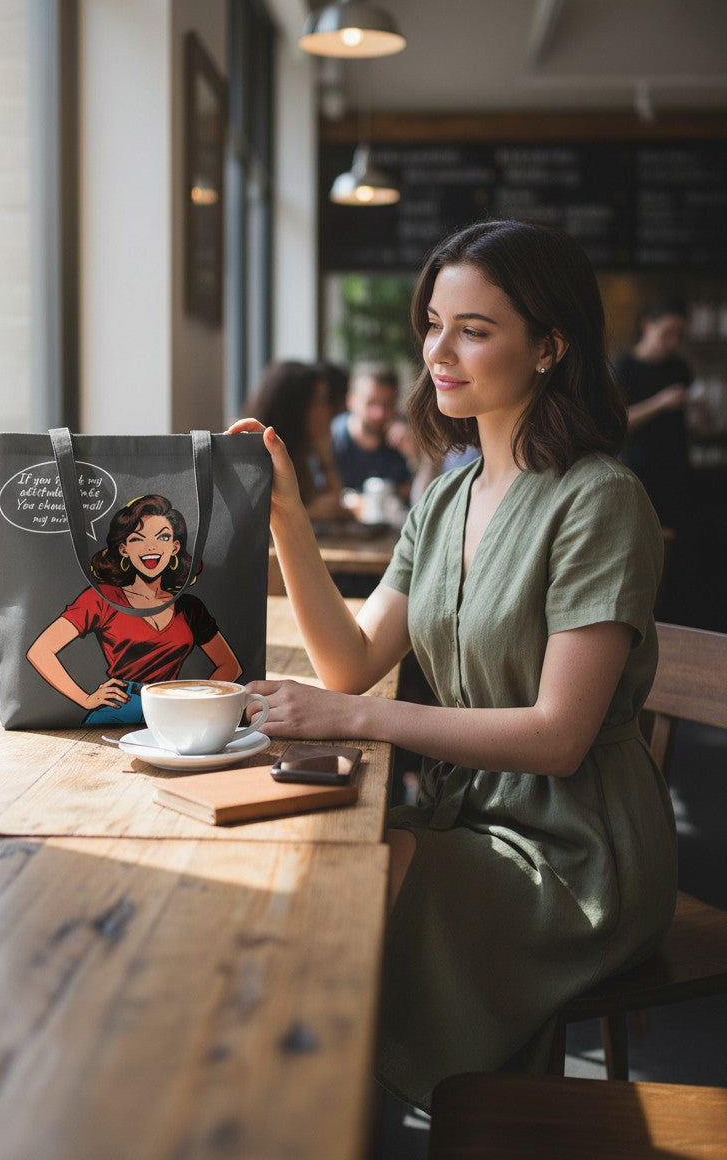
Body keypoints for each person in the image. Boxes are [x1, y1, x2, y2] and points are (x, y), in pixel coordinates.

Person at [228, 219, 677, 1112]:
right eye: (433, 322)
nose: (439, 351)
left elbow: (556, 739)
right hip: (470, 819)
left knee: (343, 895)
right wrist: (286, 518)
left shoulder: (601, 500)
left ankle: (320, 1110)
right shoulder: (448, 493)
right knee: (318, 875)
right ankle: (302, 1106)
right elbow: (351, 662)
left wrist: (346, 718)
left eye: (474, 329)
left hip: (578, 855)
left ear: (550, 346)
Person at [27, 494, 241, 724]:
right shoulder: (103, 598)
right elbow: (40, 651)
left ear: (174, 548)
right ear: (124, 549)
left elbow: (230, 666)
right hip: (119, 709)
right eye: (138, 539)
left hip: (170, 711)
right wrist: (85, 699)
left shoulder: (189, 608)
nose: (151, 546)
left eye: (163, 537)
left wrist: (194, 703)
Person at [613, 298, 693, 530]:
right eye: (668, 333)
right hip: (639, 468)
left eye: (679, 335)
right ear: (647, 325)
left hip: (677, 467)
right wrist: (660, 402)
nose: (673, 342)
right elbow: (617, 422)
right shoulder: (623, 367)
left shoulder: (679, 367)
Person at [243, 359, 350, 522]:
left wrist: (325, 456)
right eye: (318, 402)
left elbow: (333, 504)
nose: (327, 411)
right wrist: (311, 513)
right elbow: (255, 523)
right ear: (293, 407)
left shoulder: (301, 453)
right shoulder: (261, 457)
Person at [331, 361, 414, 499]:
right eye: (371, 403)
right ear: (351, 401)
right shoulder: (332, 438)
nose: (379, 413)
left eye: (387, 404)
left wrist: (414, 457)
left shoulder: (405, 439)